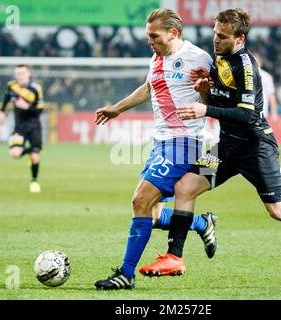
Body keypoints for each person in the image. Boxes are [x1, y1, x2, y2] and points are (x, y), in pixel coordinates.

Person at [138, 8, 281, 284]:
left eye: (223, 37)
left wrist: (205, 109)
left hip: (255, 148)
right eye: (215, 34)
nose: (216, 40)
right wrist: (206, 85)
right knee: (185, 187)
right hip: (227, 148)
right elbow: (222, 96)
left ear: (240, 39)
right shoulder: (220, 57)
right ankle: (174, 257)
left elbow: (247, 114)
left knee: (279, 210)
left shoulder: (246, 66)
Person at [93, 8, 217, 290]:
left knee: (140, 200)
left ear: (173, 33)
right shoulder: (157, 57)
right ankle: (201, 223)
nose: (149, 41)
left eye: (154, 36)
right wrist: (117, 108)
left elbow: (212, 100)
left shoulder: (198, 58)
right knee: (149, 212)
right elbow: (149, 87)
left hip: (186, 142)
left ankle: (126, 274)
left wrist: (205, 88)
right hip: (161, 142)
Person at [0, 64, 44, 193]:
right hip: (19, 127)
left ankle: (34, 181)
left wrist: (27, 107)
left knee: (35, 158)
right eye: (18, 73)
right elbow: (7, 96)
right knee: (15, 154)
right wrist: (2, 111)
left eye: (23, 73)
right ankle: (33, 150)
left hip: (34, 126)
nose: (20, 76)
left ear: (28, 74)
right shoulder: (12, 86)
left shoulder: (36, 89)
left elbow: (40, 110)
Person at [253, 52, 279, 122]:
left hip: (262, 112)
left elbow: (271, 95)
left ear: (260, 62)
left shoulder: (266, 77)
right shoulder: (244, 76)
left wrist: (274, 112)